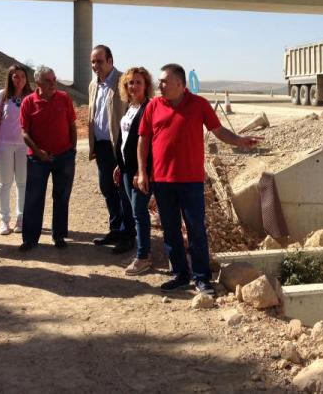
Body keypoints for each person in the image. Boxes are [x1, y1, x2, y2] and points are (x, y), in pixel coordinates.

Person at [137, 64, 261, 294]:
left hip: (191, 181)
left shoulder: (199, 104)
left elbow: (219, 131)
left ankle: (202, 277)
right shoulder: (154, 106)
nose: (159, 85)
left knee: (196, 230)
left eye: (164, 81)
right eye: (160, 81)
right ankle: (180, 275)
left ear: (180, 84)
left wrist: (240, 141)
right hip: (162, 181)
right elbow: (143, 140)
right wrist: (143, 172)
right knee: (171, 230)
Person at [19, 66, 77, 251]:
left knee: (61, 197)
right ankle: (30, 239)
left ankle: (59, 236)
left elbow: (72, 125)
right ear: (38, 83)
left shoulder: (64, 98)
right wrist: (38, 151)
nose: (53, 83)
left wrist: (72, 149)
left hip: (64, 156)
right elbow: (24, 133)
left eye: (54, 79)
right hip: (37, 159)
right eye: (48, 81)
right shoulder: (28, 102)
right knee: (34, 198)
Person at [88, 45, 135, 254]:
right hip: (101, 146)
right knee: (107, 187)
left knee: (124, 191)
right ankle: (115, 229)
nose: (95, 66)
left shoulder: (124, 82)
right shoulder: (93, 85)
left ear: (110, 61)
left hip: (121, 146)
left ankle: (128, 235)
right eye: (92, 62)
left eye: (99, 61)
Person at [112, 67, 154, 275]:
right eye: (130, 83)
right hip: (127, 169)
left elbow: (149, 145)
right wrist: (120, 165)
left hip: (140, 171)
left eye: (138, 82)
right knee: (134, 210)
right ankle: (142, 251)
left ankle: (143, 257)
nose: (134, 86)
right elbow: (124, 140)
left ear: (146, 85)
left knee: (139, 211)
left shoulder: (149, 108)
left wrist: (142, 171)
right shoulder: (131, 107)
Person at [0, 65, 32, 235]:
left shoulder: (31, 97)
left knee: (23, 183)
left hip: (24, 145)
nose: (20, 80)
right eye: (16, 76)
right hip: (3, 144)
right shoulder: (2, 96)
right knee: (5, 183)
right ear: (10, 78)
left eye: (23, 76)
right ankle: (4, 221)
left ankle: (22, 218)